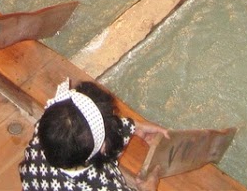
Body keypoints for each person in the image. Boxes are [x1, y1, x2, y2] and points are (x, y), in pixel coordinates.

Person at [19, 79, 168, 191]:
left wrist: (134, 126)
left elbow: (86, 130)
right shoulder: (104, 187)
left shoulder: (46, 135)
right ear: (104, 148)